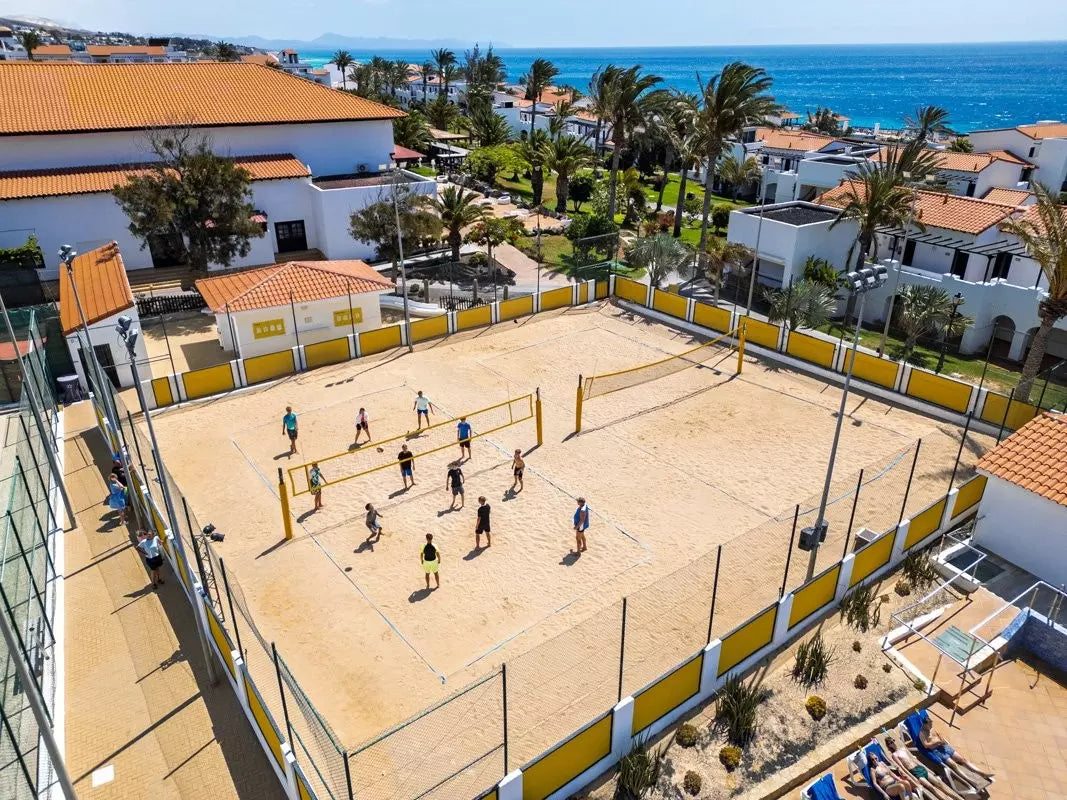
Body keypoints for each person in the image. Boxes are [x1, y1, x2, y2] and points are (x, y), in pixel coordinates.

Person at [884, 735, 966, 800]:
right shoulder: (894, 755)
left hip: (919, 768)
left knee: (940, 784)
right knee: (932, 788)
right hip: (914, 772)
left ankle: (957, 798)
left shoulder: (903, 749)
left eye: (893, 741)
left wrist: (926, 769)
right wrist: (912, 778)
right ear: (889, 746)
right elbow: (902, 767)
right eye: (890, 743)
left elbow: (914, 759)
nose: (892, 743)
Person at [919, 715, 994, 780]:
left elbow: (938, 735)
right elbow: (926, 745)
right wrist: (936, 742)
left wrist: (942, 739)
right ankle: (970, 780)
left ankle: (981, 773)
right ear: (925, 724)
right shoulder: (922, 733)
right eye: (929, 725)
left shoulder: (932, 728)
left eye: (931, 724)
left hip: (944, 746)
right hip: (937, 750)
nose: (931, 726)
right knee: (954, 765)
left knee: (963, 759)